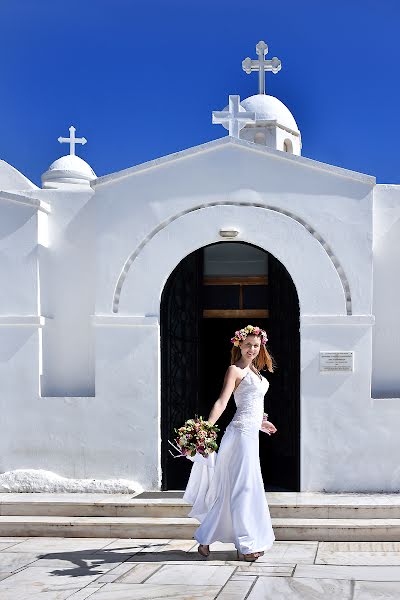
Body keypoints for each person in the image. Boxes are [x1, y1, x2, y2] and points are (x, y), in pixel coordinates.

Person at [183, 324, 278, 562]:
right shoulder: (234, 370)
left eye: (256, 346)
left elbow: (252, 406)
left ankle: (205, 539)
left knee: (233, 490)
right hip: (238, 436)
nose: (252, 350)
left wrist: (261, 423)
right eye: (248, 345)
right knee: (243, 488)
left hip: (250, 434)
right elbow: (222, 403)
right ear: (239, 345)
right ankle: (246, 546)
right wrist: (204, 429)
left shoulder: (256, 371)